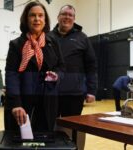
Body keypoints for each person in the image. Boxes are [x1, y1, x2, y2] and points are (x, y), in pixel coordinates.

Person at [5, 1, 64, 132]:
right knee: (21, 142)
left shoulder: (53, 43)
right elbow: (11, 75)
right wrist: (15, 104)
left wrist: (57, 75)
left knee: (44, 141)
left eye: (40, 15)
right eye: (32, 15)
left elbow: (61, 67)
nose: (37, 19)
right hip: (22, 103)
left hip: (47, 103)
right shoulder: (16, 45)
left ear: (45, 19)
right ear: (26, 19)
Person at [49, 4, 97, 150]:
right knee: (51, 126)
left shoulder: (82, 38)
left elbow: (91, 65)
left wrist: (91, 90)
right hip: (51, 92)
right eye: (64, 14)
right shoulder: (47, 37)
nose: (67, 17)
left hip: (74, 94)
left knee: (74, 128)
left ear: (74, 19)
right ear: (58, 17)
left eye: (70, 15)